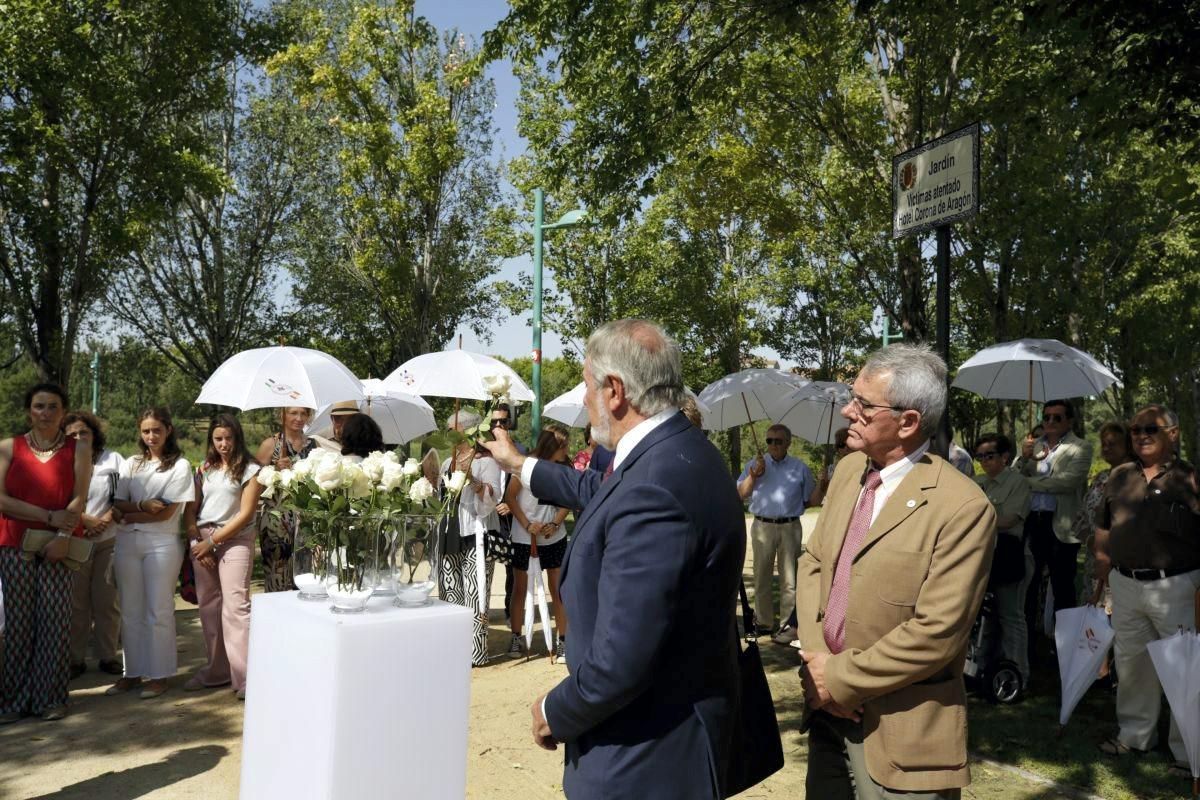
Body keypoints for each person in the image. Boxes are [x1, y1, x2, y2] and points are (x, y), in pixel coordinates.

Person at [484, 319, 744, 800]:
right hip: (666, 740)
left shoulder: (653, 484)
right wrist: (520, 464)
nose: (584, 402)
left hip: (646, 754)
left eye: (586, 386)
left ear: (616, 391)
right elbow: (600, 490)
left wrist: (555, 711)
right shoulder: (683, 452)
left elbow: (624, 657)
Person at [796, 343, 996, 799]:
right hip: (827, 714)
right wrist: (817, 668)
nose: (848, 411)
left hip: (903, 737)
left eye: (863, 405)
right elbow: (814, 564)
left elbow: (937, 633)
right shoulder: (849, 471)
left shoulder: (962, 507)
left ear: (908, 422)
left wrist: (841, 680)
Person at [1094, 405, 1199, 779]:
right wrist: (1101, 557)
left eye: (1150, 428)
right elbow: (1104, 523)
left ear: (1173, 434)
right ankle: (1135, 736)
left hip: (1176, 586)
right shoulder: (1120, 475)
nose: (1140, 435)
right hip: (1124, 583)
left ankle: (1189, 753)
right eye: (1135, 429)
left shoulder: (1189, 477)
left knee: (1184, 669)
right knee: (1132, 664)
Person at [0, 384, 91, 724]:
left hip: (60, 545)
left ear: (63, 412)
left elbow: (79, 498)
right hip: (14, 543)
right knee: (20, 624)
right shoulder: (8, 447)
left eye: (53, 406)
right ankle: (12, 701)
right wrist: (47, 517)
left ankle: (51, 699)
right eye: (39, 406)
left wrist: (63, 535)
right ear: (29, 411)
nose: (46, 412)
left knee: (54, 622)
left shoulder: (79, 448)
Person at [108, 407, 195, 700]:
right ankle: (132, 672)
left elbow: (166, 513)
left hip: (162, 543)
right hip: (127, 544)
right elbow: (117, 503)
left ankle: (159, 675)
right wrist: (143, 507)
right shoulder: (131, 464)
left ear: (168, 430)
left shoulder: (180, 466)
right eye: (146, 431)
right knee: (130, 612)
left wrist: (131, 513)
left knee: (158, 611)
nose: (151, 436)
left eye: (156, 430)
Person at [182, 415, 263, 701]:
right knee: (209, 607)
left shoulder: (252, 469)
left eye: (228, 438)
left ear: (237, 437)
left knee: (236, 606)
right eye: (218, 439)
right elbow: (191, 510)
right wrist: (196, 540)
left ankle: (244, 677)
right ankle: (216, 670)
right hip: (203, 539)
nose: (224, 444)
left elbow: (245, 514)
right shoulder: (204, 468)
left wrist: (213, 541)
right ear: (211, 440)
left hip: (234, 540)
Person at [1012, 399, 1093, 660]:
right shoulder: (1033, 446)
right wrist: (1022, 458)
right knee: (1028, 586)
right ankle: (1027, 648)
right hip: (1033, 524)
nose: (1050, 422)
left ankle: (1065, 650)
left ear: (1069, 421)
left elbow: (1066, 483)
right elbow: (1013, 477)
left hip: (1061, 527)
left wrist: (1029, 482)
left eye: (1057, 418)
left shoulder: (1081, 448)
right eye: (1046, 417)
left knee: (1063, 589)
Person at [737, 423, 816, 646]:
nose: (773, 445)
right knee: (761, 575)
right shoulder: (755, 465)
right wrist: (753, 476)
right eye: (769, 440)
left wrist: (825, 483)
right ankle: (763, 622)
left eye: (778, 441)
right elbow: (741, 494)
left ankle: (787, 625)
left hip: (790, 526)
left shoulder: (800, 468)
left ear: (788, 443)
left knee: (789, 579)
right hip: (762, 526)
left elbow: (811, 500)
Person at [63, 411, 125, 680]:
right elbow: (57, 497)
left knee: (107, 601)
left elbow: (124, 494)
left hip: (108, 539)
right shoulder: (61, 460)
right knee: (76, 604)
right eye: (72, 434)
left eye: (83, 432)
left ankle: (108, 656)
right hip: (74, 539)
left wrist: (105, 520)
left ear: (94, 433)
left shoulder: (113, 459)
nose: (78, 437)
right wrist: (85, 520)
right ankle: (75, 659)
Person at [503, 425, 571, 661]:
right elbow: (510, 497)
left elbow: (568, 501)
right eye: (566, 446)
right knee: (520, 589)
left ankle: (563, 642)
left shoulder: (565, 466)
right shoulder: (526, 464)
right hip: (524, 537)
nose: (568, 450)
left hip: (554, 537)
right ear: (555, 446)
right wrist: (527, 525)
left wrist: (554, 523)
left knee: (558, 589)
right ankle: (516, 637)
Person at [439, 410, 501, 667]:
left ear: (467, 430)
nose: (449, 434)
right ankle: (452, 649)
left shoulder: (486, 461)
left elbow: (492, 500)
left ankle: (475, 652)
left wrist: (473, 480)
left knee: (475, 593)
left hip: (474, 530)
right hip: (448, 529)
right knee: (450, 590)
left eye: (453, 429)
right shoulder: (446, 462)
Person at [973, 433, 1033, 686]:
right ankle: (979, 669)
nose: (985, 461)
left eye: (990, 455)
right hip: (981, 555)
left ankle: (1017, 675)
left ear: (1005, 457)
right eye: (980, 456)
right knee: (980, 614)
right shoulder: (976, 482)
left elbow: (1010, 519)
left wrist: (980, 516)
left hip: (1010, 555)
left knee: (1011, 617)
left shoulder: (1018, 482)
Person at [255, 406, 317, 593]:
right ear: (282, 414)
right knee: (277, 578)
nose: (299, 418)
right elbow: (254, 485)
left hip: (304, 521)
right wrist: (275, 471)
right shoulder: (271, 445)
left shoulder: (314, 447)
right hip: (276, 522)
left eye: (303, 413)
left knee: (303, 577)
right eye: (293, 413)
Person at [1078, 422, 1133, 612]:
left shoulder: (1137, 478)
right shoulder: (1100, 478)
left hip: (1123, 565)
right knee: (1095, 629)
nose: (1107, 448)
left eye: (1113, 443)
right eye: (1104, 444)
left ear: (1128, 445)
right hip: (1095, 562)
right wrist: (1090, 539)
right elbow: (1080, 518)